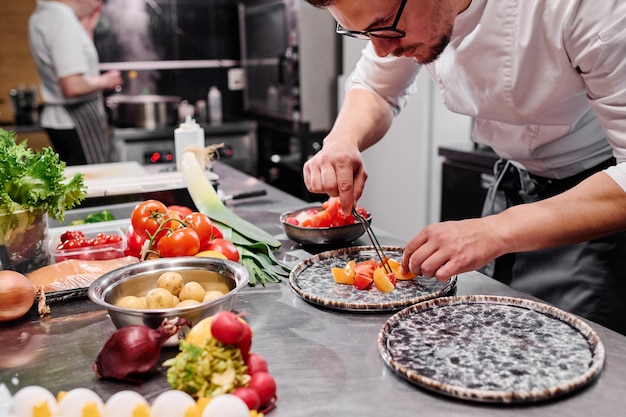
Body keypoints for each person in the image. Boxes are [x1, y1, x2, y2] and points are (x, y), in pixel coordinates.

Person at [302, 0, 626, 334]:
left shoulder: (588, 8)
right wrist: (342, 138)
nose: (382, 50)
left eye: (385, 25)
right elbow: (376, 86)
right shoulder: (402, 17)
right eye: (364, 32)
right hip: (512, 185)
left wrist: (496, 231)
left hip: (595, 198)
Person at [28, 0, 122, 165]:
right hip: (76, 119)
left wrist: (87, 29)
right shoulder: (62, 20)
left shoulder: (42, 15)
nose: (97, 5)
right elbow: (72, 86)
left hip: (63, 120)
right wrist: (106, 81)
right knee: (90, 184)